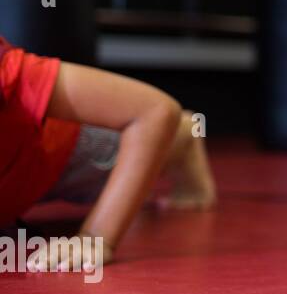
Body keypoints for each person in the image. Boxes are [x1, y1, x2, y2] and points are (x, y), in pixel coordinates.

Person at [0, 36, 216, 272]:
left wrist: (94, 237)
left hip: (56, 152)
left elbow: (155, 111)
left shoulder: (9, 72)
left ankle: (183, 134)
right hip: (15, 182)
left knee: (140, 143)